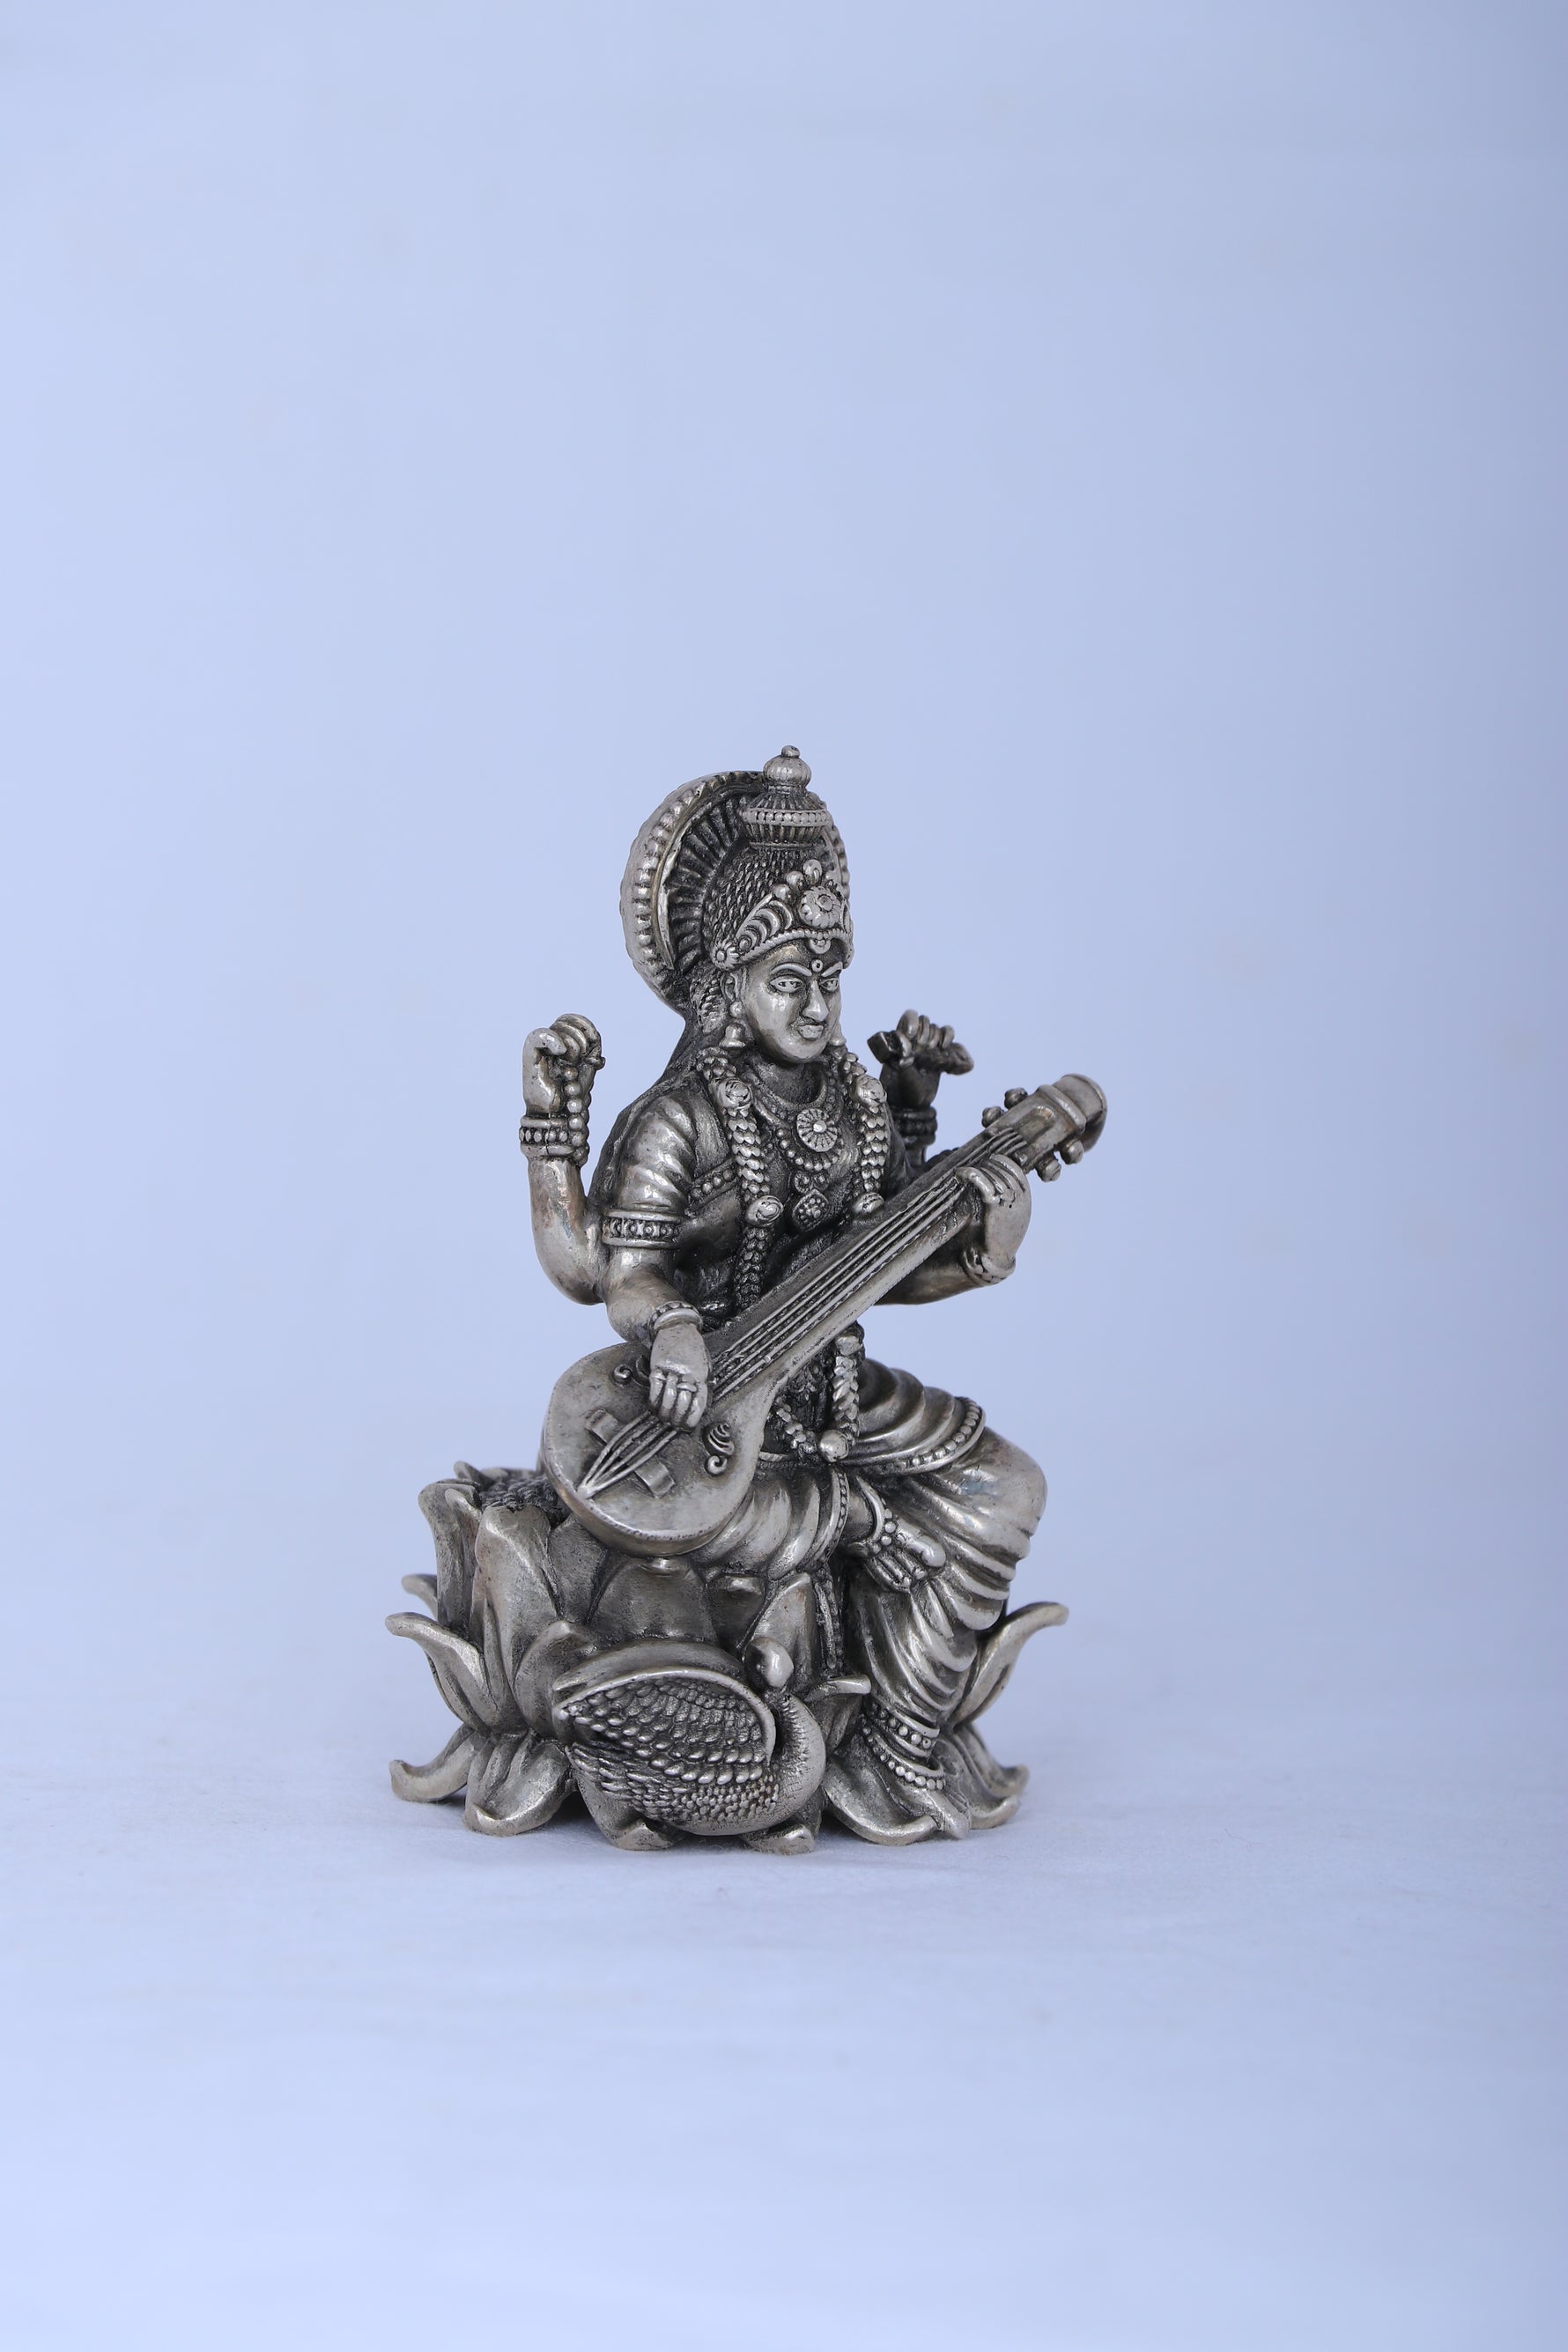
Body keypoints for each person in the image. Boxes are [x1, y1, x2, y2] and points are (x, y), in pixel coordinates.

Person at [521, 750, 1048, 1847]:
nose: (815, 1006)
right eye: (786, 981)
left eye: (828, 979)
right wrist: (671, 1326)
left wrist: (985, 1250)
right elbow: (619, 1272)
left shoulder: (854, 1103)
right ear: (727, 985)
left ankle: (900, 1740)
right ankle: (778, 1646)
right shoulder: (677, 1119)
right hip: (699, 1415)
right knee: (711, 1543)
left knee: (1002, 1488)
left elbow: (881, 1269)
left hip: (838, 1395)